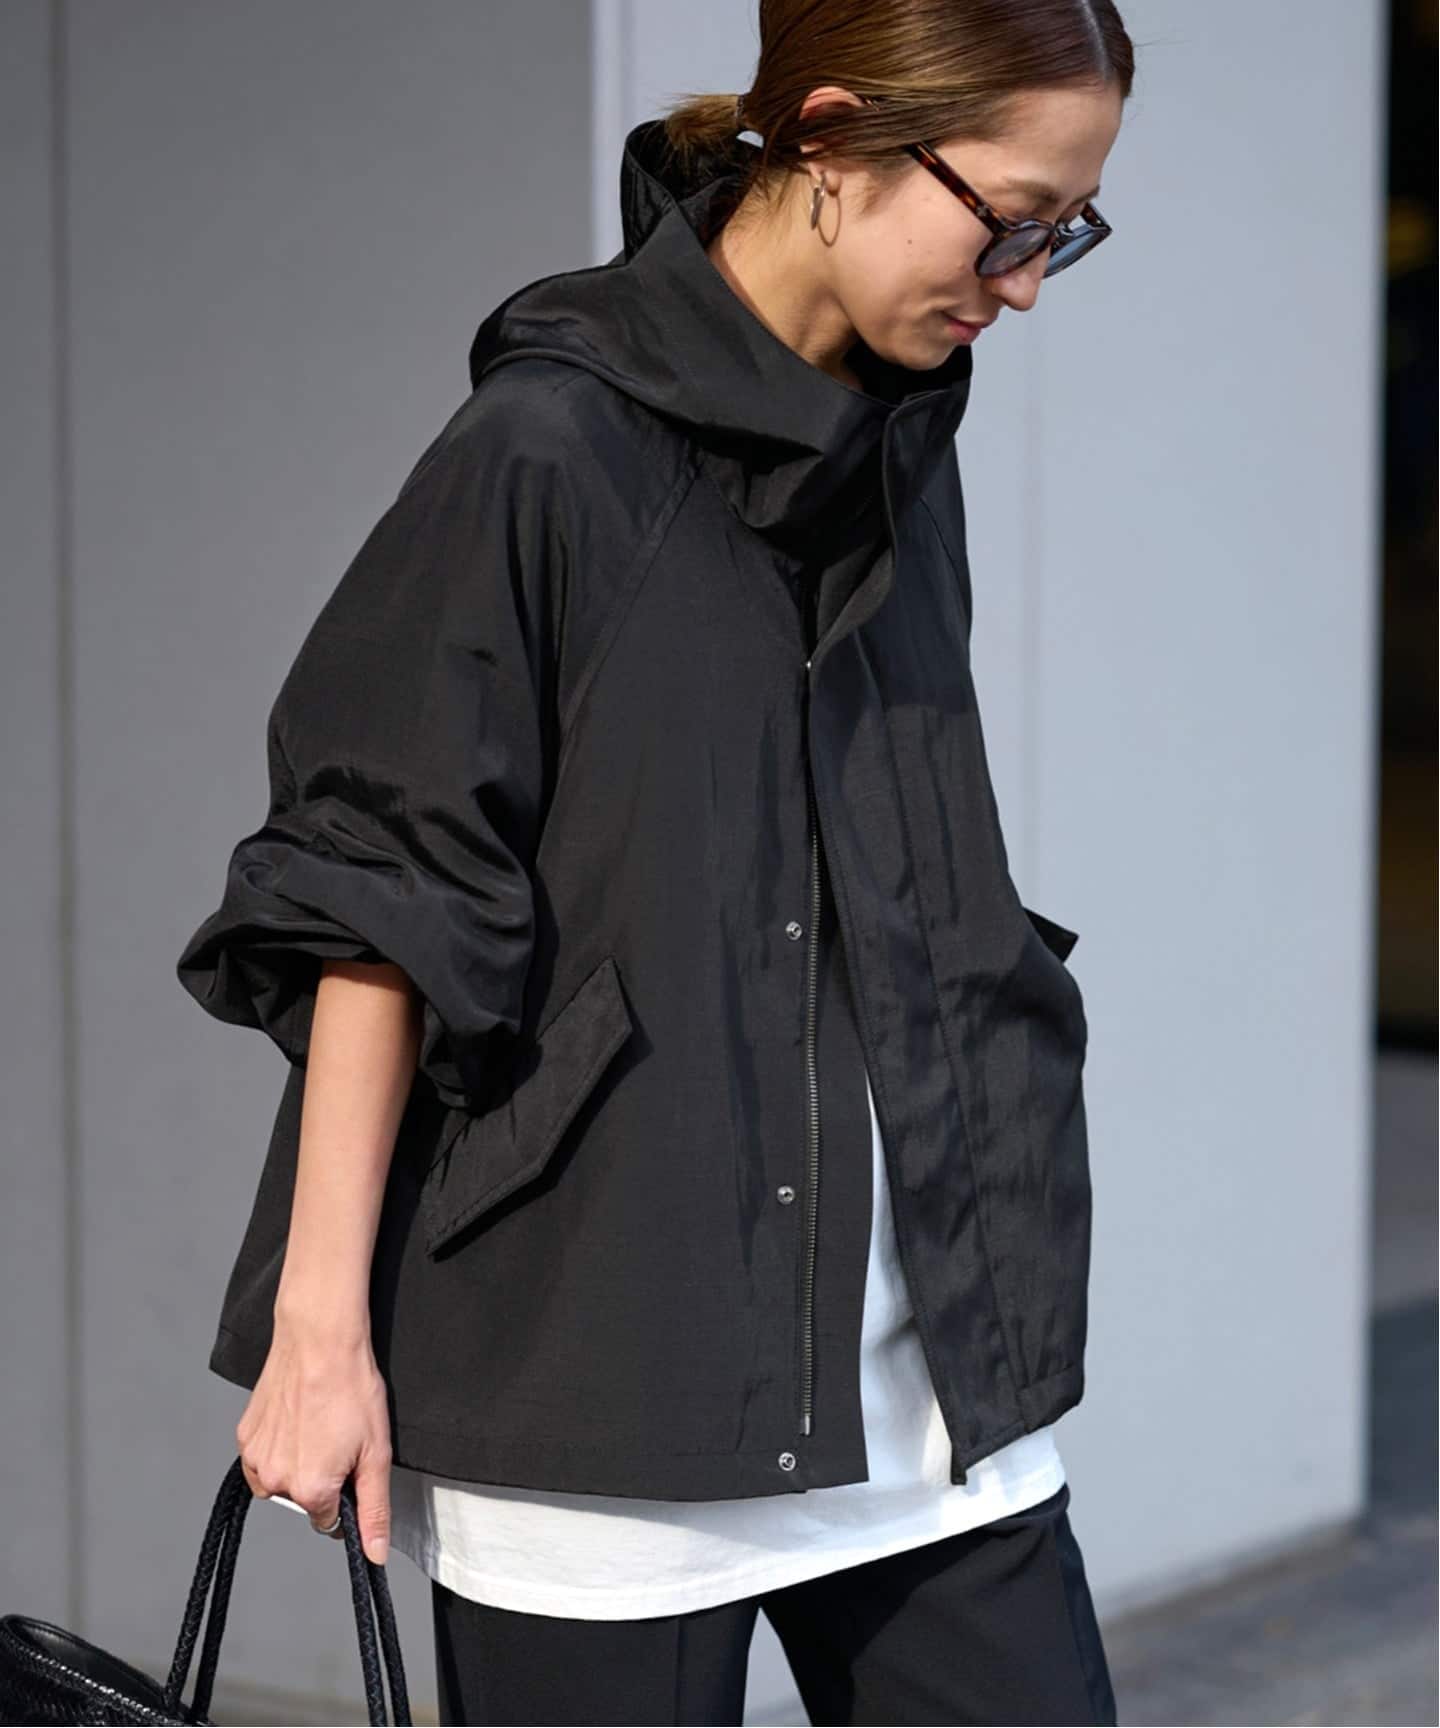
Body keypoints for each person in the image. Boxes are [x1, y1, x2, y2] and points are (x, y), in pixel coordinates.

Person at [175, 2, 1132, 1721]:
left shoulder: (905, 438)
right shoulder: (547, 452)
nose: (1027, 284)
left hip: (925, 1386)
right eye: (1010, 219)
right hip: (604, 1391)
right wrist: (321, 1333)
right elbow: (379, 887)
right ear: (830, 136)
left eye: (1066, 230)